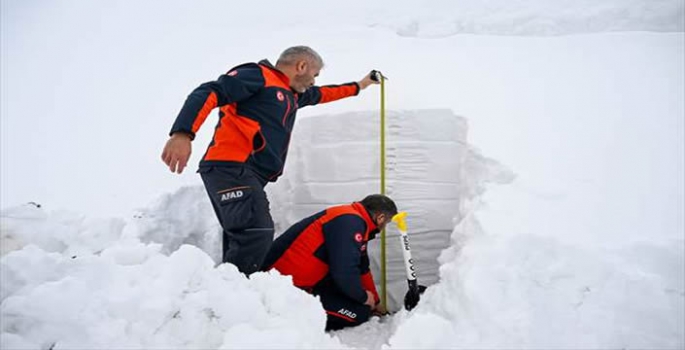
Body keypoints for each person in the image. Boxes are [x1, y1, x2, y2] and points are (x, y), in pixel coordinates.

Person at [161, 46, 379, 275]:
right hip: (231, 166)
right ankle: (237, 295)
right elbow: (209, 92)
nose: (314, 82)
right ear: (301, 66)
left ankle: (226, 293)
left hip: (249, 174)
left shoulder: (292, 95)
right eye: (314, 75)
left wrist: (361, 85)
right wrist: (183, 133)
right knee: (257, 231)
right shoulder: (258, 75)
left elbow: (325, 94)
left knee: (242, 235)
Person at [261, 194, 398, 331]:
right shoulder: (350, 222)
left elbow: (362, 268)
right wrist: (363, 298)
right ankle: (295, 321)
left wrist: (375, 301)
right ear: (380, 218)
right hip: (284, 288)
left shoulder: (351, 217)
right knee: (359, 313)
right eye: (387, 222)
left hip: (305, 281)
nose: (384, 227)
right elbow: (344, 270)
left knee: (357, 301)